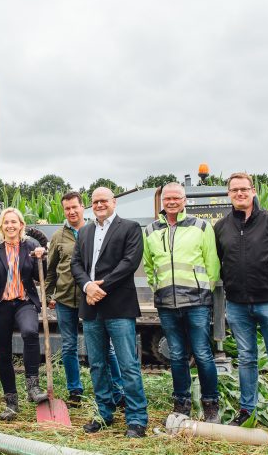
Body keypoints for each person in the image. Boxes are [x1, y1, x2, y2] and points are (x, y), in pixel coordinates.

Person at [213, 173, 268, 431]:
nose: (239, 193)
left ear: (253, 191)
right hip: (238, 305)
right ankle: (247, 410)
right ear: (228, 194)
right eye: (234, 190)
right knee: (247, 358)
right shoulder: (222, 227)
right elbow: (220, 261)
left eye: (244, 189)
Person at [71, 187, 148, 438]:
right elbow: (76, 264)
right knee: (97, 364)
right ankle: (104, 412)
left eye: (104, 200)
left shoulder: (130, 228)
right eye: (95, 202)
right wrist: (87, 286)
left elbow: (130, 262)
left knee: (128, 364)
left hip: (118, 305)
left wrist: (101, 287)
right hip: (91, 306)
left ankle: (136, 418)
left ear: (114, 202)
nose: (99, 205)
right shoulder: (85, 231)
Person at [142, 182, 221, 421]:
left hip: (196, 302)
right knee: (176, 355)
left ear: (184, 200)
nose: (172, 202)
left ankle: (210, 404)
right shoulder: (151, 230)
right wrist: (157, 288)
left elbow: (212, 264)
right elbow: (148, 265)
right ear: (162, 202)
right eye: (168, 199)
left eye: (177, 198)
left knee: (203, 354)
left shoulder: (201, 226)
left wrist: (204, 290)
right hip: (166, 303)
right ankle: (181, 403)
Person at [45, 191, 125, 408]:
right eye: (67, 208)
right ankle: (75, 391)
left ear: (83, 207)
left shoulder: (95, 231)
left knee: (104, 347)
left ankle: (118, 391)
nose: (71, 212)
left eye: (75, 207)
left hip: (92, 299)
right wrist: (48, 295)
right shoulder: (58, 237)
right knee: (69, 346)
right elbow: (51, 270)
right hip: (65, 300)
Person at [0, 207, 48, 420]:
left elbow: (42, 277)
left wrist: (41, 259)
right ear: (1, 226)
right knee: (3, 353)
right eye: (6, 222)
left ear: (21, 225)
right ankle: (11, 402)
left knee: (30, 332)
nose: (10, 225)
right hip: (0, 306)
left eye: (14, 222)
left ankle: (33, 387)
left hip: (24, 301)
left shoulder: (31, 246)